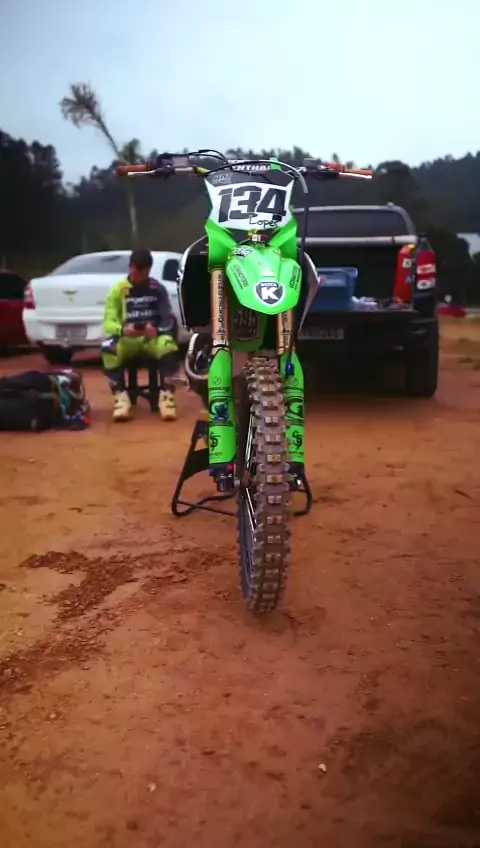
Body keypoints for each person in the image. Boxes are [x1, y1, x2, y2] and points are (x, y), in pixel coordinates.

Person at [101, 249, 180, 422]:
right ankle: (121, 400)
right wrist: (123, 330)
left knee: (169, 346)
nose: (138, 277)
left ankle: (166, 400)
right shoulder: (118, 289)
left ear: (149, 270)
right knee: (108, 348)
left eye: (143, 274)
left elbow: (168, 319)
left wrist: (156, 330)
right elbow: (108, 322)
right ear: (130, 267)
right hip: (127, 338)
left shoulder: (157, 288)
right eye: (136, 272)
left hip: (151, 338)